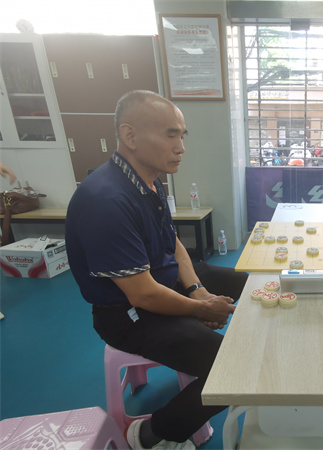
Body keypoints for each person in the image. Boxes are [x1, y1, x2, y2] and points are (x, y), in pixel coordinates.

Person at [65, 90, 248, 449]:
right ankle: (151, 434)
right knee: (234, 367)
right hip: (128, 314)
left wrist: (197, 291)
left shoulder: (150, 181)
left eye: (182, 135)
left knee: (254, 283)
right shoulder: (106, 201)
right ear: (130, 136)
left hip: (165, 281)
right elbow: (143, 295)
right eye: (170, 135)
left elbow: (174, 244)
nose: (181, 147)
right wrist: (201, 309)